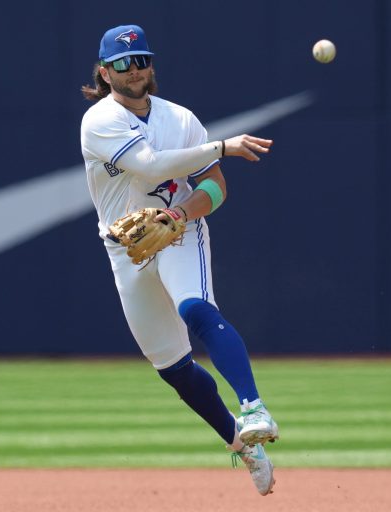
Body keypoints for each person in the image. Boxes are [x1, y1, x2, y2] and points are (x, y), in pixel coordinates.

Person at [80, 24, 279, 496]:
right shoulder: (99, 120)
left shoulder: (182, 119)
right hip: (125, 250)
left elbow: (215, 187)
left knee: (195, 307)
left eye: (142, 60)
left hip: (179, 233)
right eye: (124, 64)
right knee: (173, 368)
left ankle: (253, 406)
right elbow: (149, 165)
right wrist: (224, 146)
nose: (135, 70)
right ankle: (242, 443)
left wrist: (181, 212)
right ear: (105, 73)